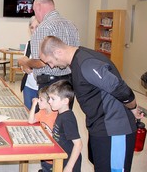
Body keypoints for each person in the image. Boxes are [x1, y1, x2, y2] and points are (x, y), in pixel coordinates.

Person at [40, 35, 144, 172]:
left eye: (50, 62)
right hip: (99, 126)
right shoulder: (76, 61)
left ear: (58, 52)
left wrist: (134, 109)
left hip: (115, 129)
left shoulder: (86, 63)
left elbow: (122, 91)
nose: (51, 66)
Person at [18, 0, 80, 92]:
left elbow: (40, 62)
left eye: (34, 10)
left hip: (49, 85)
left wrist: (26, 62)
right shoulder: (71, 25)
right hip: (69, 82)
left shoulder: (43, 28)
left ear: (38, 7)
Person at [47, 80, 82, 172]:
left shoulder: (67, 118)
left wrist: (69, 167)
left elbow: (78, 144)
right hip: (61, 157)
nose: (49, 101)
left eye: (53, 98)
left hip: (70, 160)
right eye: (49, 98)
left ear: (65, 101)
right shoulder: (60, 113)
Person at [28, 86, 58, 172]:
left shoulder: (56, 116)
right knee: (44, 166)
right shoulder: (42, 112)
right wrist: (34, 104)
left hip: (52, 155)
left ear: (49, 102)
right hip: (44, 150)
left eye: (41, 100)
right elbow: (31, 120)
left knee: (49, 168)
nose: (38, 101)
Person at [20, 16, 39, 110]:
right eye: (32, 27)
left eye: (37, 27)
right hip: (28, 85)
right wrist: (24, 68)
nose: (34, 30)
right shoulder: (29, 44)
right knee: (28, 113)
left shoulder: (48, 44)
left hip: (41, 87)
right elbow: (24, 62)